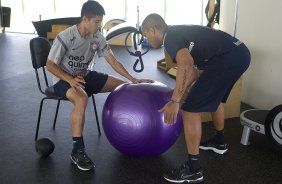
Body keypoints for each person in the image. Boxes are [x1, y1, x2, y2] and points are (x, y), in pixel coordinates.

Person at [141, 14, 250, 183]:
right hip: (240, 54)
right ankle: (219, 142)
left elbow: (185, 64)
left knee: (190, 109)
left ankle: (193, 169)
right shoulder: (179, 32)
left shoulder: (170, 38)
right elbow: (192, 72)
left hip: (227, 58)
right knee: (218, 98)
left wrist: (176, 101)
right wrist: (176, 93)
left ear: (152, 30)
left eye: (145, 35)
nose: (146, 39)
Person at [46, 0, 152, 171]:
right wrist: (70, 79)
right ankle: (77, 150)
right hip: (63, 80)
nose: (99, 25)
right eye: (97, 21)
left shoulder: (98, 38)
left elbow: (113, 61)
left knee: (125, 87)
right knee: (81, 99)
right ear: (85, 19)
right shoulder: (66, 37)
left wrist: (132, 79)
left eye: (100, 21)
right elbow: (50, 65)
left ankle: (136, 129)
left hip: (85, 76)